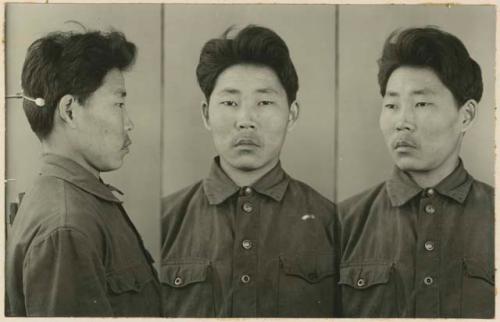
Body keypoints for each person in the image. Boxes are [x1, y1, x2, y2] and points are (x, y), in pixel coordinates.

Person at [161, 25, 339, 317]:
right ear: (206, 114)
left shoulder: (333, 224)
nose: (246, 120)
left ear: (292, 115)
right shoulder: (163, 222)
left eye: (264, 102)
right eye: (230, 102)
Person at [338, 27, 493, 318]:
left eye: (421, 104)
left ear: (466, 115)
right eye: (392, 105)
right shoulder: (341, 224)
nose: (402, 122)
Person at [6, 29, 161, 316]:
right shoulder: (67, 226)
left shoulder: (74, 203)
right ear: (70, 111)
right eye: (119, 104)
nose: (129, 124)